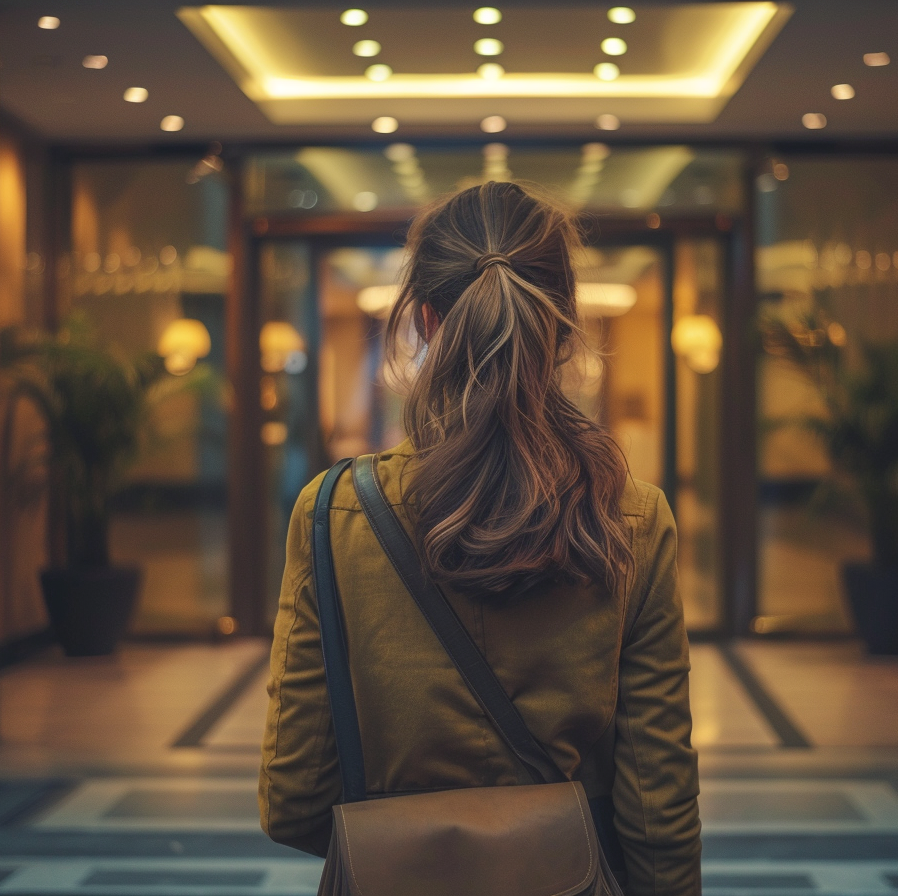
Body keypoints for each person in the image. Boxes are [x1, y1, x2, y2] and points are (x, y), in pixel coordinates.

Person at [259, 181, 701, 895]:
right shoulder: (634, 517)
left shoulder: (333, 512)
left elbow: (293, 802)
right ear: (562, 324)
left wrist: (411, 838)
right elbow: (658, 815)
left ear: (426, 319)